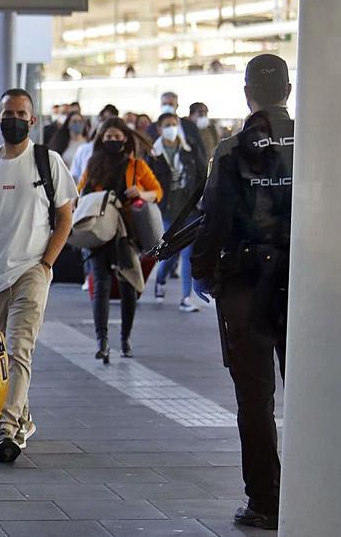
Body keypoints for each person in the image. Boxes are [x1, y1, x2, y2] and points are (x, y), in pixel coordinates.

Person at [189, 54, 294, 531]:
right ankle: (321, 486)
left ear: (247, 93)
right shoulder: (315, 144)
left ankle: (266, 502)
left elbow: (215, 220)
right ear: (288, 92)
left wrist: (203, 271)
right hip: (306, 283)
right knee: (316, 389)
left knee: (255, 398)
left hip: (248, 285)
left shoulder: (231, 149)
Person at [0, 89, 78, 463]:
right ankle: (22, 415)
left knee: (19, 349)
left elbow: (65, 218)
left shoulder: (48, 161)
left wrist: (45, 264)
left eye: (20, 113)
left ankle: (7, 429)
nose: (14, 119)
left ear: (33, 119)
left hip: (31, 269)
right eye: (7, 113)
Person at [78, 118, 162, 363]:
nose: (112, 141)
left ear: (125, 138)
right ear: (101, 139)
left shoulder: (136, 166)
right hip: (100, 230)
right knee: (101, 285)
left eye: (117, 137)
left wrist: (141, 193)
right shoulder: (93, 165)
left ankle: (125, 338)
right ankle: (101, 341)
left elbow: (157, 192)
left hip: (126, 232)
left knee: (128, 284)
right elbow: (80, 192)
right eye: (108, 137)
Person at [146, 113, 207, 312]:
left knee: (189, 253)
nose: (171, 128)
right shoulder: (153, 154)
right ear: (159, 129)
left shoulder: (189, 148)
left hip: (190, 207)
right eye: (167, 125)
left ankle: (186, 298)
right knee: (171, 253)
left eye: (174, 124)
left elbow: (201, 173)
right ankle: (161, 278)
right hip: (168, 210)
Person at [71, 104, 120, 182]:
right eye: (108, 136)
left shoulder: (118, 151)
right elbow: (74, 174)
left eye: (116, 136)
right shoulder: (84, 149)